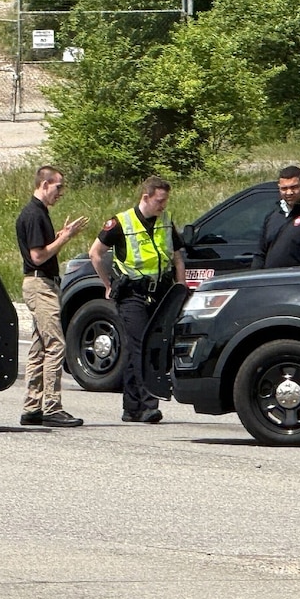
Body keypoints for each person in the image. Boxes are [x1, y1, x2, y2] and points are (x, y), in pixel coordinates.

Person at [90, 176, 186, 423]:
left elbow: (177, 258)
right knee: (143, 345)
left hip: (160, 292)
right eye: (159, 201)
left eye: (165, 200)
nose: (163, 205)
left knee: (140, 347)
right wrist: (108, 284)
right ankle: (148, 405)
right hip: (132, 293)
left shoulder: (166, 221)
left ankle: (131, 407)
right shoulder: (121, 222)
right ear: (146, 197)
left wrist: (181, 288)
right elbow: (95, 253)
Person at [15, 166, 89, 428]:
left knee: (40, 346)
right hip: (40, 285)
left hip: (41, 284)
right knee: (56, 344)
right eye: (58, 187)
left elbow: (41, 249)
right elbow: (37, 256)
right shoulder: (34, 214)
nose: (61, 192)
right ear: (44, 184)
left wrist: (58, 236)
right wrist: (65, 238)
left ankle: (32, 406)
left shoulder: (39, 213)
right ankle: (52, 407)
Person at [252, 165, 300, 269]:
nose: (289, 192)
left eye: (294, 187)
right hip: (269, 278)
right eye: (284, 188)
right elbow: (260, 254)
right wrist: (257, 275)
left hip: (296, 278)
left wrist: (291, 276)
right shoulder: (272, 216)